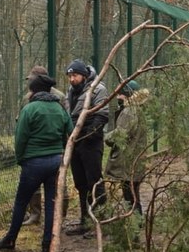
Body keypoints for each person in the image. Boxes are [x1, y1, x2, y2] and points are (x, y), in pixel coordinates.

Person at [0, 70, 72, 252]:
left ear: (34, 91)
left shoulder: (29, 109)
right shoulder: (59, 109)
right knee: (52, 203)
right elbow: (70, 133)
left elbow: (20, 139)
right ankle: (47, 245)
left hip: (34, 163)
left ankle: (10, 239)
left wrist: (21, 159)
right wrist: (62, 155)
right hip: (56, 161)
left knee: (21, 202)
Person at [64, 58, 108, 236]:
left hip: (91, 142)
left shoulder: (98, 88)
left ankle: (100, 221)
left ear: (83, 75)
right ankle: (84, 219)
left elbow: (102, 115)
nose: (71, 79)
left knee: (94, 181)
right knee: (80, 183)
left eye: (74, 75)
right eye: (69, 76)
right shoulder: (71, 91)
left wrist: (88, 135)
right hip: (74, 142)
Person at [20, 66, 67, 226]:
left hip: (55, 147)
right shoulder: (27, 98)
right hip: (33, 148)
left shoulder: (59, 97)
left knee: (58, 184)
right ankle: (35, 213)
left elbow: (65, 120)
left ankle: (60, 214)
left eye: (31, 78)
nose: (29, 82)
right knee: (34, 185)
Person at [104, 80, 149, 215]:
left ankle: (134, 223)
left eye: (120, 94)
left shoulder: (129, 111)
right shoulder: (138, 109)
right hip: (135, 159)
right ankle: (136, 220)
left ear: (127, 95)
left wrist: (107, 137)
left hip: (128, 160)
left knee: (130, 195)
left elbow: (120, 134)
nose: (117, 97)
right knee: (133, 192)